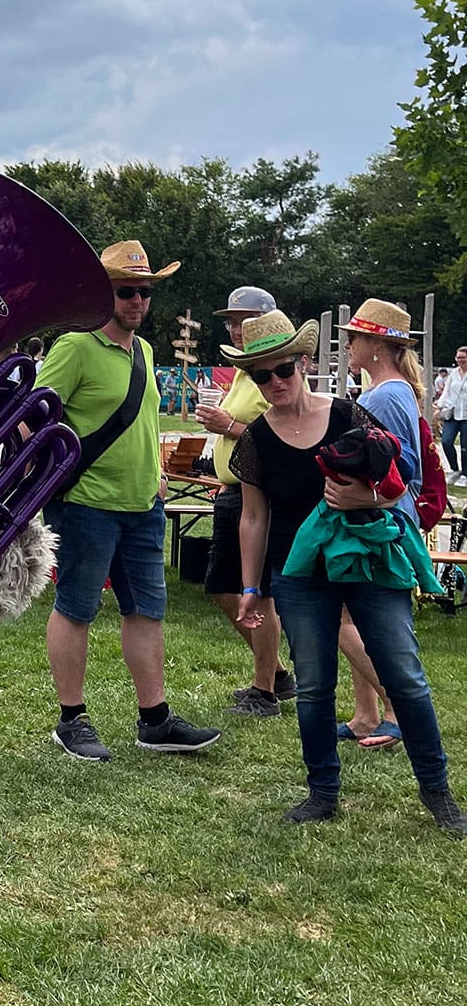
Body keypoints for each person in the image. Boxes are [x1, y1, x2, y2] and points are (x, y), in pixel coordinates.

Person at [230, 310, 465, 835]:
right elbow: (253, 515)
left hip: (367, 562)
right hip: (299, 574)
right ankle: (322, 793)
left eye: (283, 370)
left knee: (405, 678)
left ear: (305, 363)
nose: (274, 384)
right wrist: (250, 587)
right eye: (260, 376)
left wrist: (366, 495)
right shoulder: (256, 441)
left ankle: (438, 794)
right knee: (313, 686)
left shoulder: (350, 415)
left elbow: (403, 478)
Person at [36, 240, 222, 761]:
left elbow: (141, 420)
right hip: (86, 503)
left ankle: (154, 720)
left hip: (143, 504)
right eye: (127, 292)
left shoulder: (144, 352)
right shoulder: (74, 346)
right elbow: (36, 417)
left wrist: (158, 474)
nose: (137, 301)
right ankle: (71, 719)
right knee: (76, 607)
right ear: (103, 294)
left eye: (143, 292)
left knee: (147, 611)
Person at [196, 285, 294, 716]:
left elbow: (280, 437)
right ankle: (275, 673)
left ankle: (266, 689)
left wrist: (227, 424)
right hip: (233, 492)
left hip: (257, 497)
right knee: (221, 586)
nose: (235, 329)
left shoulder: (275, 374)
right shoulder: (242, 370)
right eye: (231, 323)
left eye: (242, 321)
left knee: (260, 594)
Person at [334, 298, 427, 749]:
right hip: (376, 514)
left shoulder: (387, 395)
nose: (347, 345)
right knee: (355, 612)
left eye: (353, 338)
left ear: (375, 344)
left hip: (378, 518)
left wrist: (360, 495)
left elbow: (404, 465)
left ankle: (397, 708)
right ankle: (365, 715)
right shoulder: (388, 391)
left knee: (346, 616)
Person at [436, 345, 467, 485]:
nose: (460, 360)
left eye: (463, 358)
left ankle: (465, 474)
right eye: (458, 358)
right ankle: (454, 469)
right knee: (446, 441)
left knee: (465, 446)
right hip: (452, 413)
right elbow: (447, 392)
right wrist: (439, 407)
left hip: (466, 414)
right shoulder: (453, 374)